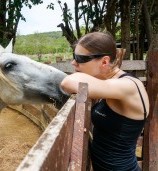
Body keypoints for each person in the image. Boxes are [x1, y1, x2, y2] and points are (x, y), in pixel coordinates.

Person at [60, 31, 149, 171]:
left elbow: (67, 82)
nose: (73, 62)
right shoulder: (110, 81)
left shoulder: (128, 86)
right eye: (73, 56)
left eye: (80, 58)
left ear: (104, 61)